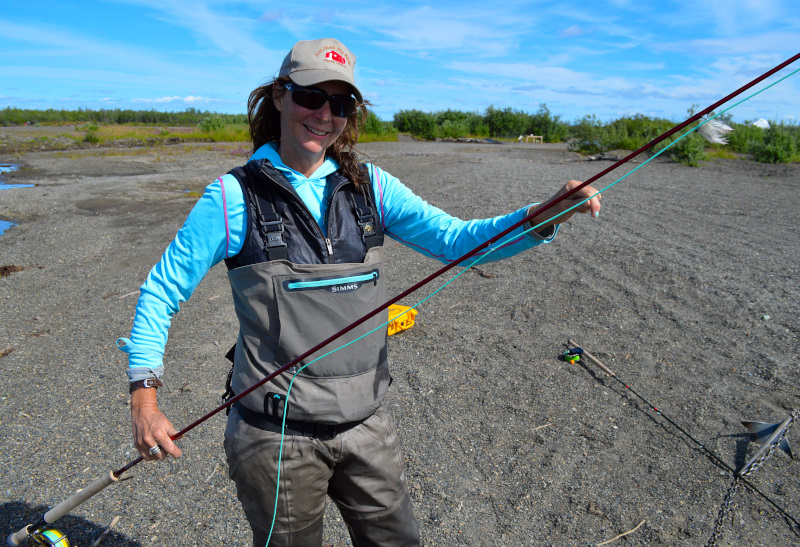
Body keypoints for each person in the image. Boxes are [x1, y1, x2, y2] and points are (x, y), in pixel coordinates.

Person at [118, 38, 601, 546]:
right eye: (311, 97)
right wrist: (144, 400)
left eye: (341, 104)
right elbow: (161, 291)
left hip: (368, 425)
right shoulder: (231, 197)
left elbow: (459, 241)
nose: (325, 114)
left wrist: (542, 214)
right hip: (273, 437)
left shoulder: (372, 187)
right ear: (280, 97)